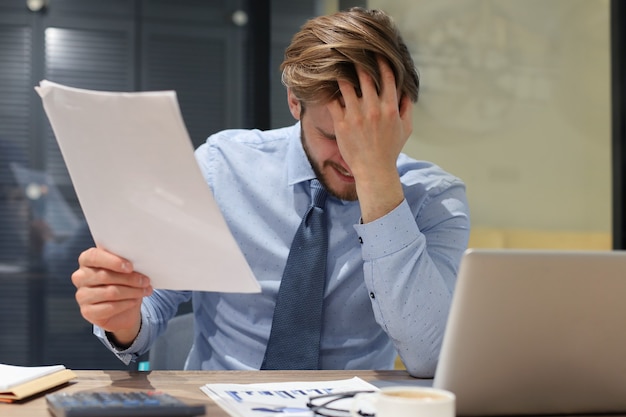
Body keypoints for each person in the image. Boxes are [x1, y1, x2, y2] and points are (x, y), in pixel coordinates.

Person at [71, 7, 470, 378]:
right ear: (295, 103)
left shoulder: (433, 199)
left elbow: (429, 355)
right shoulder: (221, 167)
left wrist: (379, 179)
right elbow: (153, 305)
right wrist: (122, 318)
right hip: (221, 403)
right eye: (333, 136)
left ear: (402, 116)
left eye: (371, 137)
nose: (354, 159)